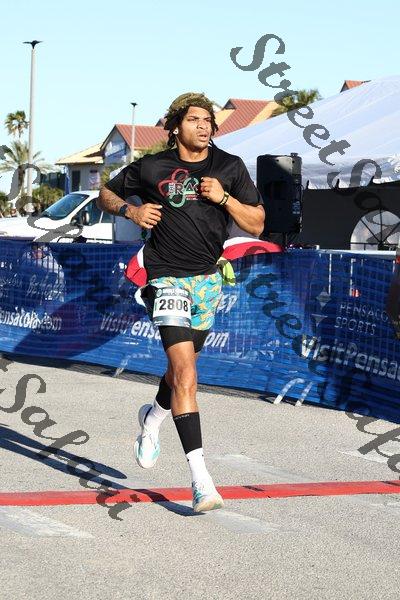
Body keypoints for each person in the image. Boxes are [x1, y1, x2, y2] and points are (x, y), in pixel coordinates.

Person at [97, 92, 265, 513]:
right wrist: (131, 212)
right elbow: (105, 195)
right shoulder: (152, 167)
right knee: (187, 374)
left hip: (208, 279)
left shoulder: (230, 167)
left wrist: (224, 198)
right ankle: (201, 481)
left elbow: (258, 223)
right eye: (194, 119)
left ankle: (151, 419)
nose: (204, 126)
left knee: (178, 372)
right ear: (175, 126)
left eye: (208, 120)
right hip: (165, 276)